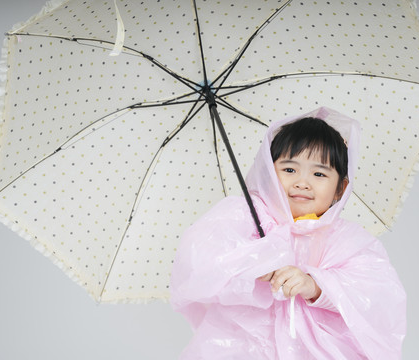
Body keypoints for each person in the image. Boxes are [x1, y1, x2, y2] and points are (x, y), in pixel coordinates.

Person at [170, 107, 406, 359]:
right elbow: (203, 257)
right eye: (289, 170)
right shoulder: (245, 216)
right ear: (269, 172)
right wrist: (254, 262)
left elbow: (375, 296)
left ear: (341, 188)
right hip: (242, 344)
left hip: (315, 351)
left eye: (319, 174)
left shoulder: (346, 241)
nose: (302, 182)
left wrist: (314, 285)